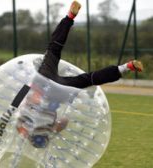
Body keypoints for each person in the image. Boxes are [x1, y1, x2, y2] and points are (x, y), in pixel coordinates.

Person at [16, 1, 144, 148]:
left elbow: (64, 121)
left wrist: (51, 130)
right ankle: (70, 16)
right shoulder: (25, 124)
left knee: (88, 79)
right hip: (44, 82)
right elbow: (26, 98)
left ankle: (126, 67)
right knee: (54, 49)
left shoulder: (48, 126)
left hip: (58, 91)